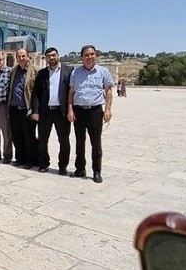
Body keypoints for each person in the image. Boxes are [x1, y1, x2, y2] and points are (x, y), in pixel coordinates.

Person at [67, 44, 114, 184]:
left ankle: (96, 171)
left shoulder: (103, 71)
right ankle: (80, 169)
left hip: (95, 111)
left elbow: (108, 91)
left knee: (96, 143)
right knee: (79, 142)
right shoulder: (76, 73)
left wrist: (108, 109)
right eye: (86, 55)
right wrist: (70, 109)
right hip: (79, 111)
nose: (89, 57)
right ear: (82, 57)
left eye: (92, 54)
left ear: (96, 55)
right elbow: (71, 93)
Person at [31, 47, 73, 175]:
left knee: (64, 140)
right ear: (46, 58)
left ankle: (63, 166)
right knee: (43, 140)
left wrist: (71, 110)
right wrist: (35, 111)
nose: (51, 58)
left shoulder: (69, 71)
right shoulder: (42, 73)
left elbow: (72, 92)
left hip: (61, 112)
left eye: (53, 55)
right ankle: (44, 163)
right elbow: (36, 93)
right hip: (45, 112)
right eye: (49, 56)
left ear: (58, 55)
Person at [6, 48, 38, 168]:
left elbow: (38, 92)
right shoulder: (14, 70)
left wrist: (35, 110)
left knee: (28, 136)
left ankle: (30, 160)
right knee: (16, 135)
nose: (21, 58)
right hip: (14, 108)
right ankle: (20, 158)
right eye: (19, 56)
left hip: (27, 109)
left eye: (23, 56)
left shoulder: (35, 70)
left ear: (28, 57)